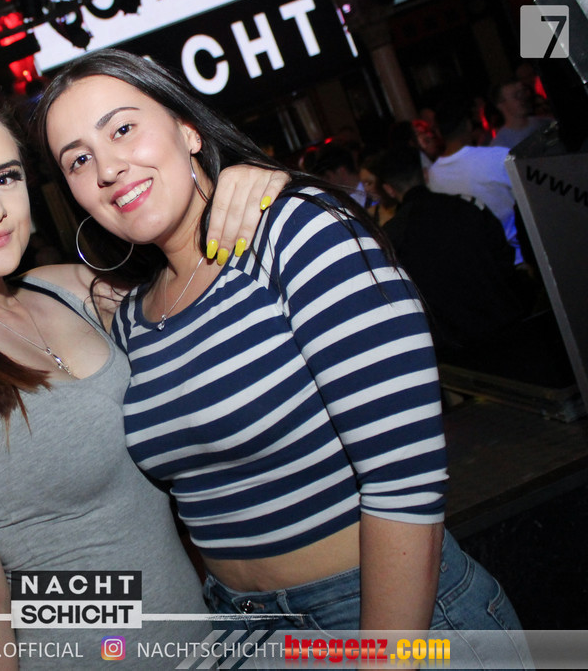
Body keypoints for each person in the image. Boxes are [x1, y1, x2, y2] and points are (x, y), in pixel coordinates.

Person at [35, 49, 527, 652]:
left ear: (187, 130)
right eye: (79, 160)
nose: (108, 168)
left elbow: (405, 483)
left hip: (379, 612)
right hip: (244, 629)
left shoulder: (295, 233)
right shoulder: (133, 317)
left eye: (122, 129)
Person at [0, 78, 286, 668]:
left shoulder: (70, 289)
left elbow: (198, 305)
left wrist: (241, 188)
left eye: (6, 177)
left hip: (214, 643)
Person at [377, 146, 528, 355]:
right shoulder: (469, 206)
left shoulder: (391, 236)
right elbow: (504, 259)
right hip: (504, 328)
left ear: (389, 189)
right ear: (425, 174)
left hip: (453, 350)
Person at [427, 93, 524, 265]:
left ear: (439, 132)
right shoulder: (499, 157)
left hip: (480, 265)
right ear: (468, 124)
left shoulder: (431, 178)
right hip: (519, 257)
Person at [489, 79, 553, 150]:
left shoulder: (546, 123)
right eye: (516, 96)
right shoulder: (500, 145)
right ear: (501, 105)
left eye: (523, 93)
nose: (523, 98)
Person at [358, 151, 397, 227]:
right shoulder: (370, 214)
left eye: (369, 183)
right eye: (364, 184)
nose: (366, 189)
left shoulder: (406, 209)